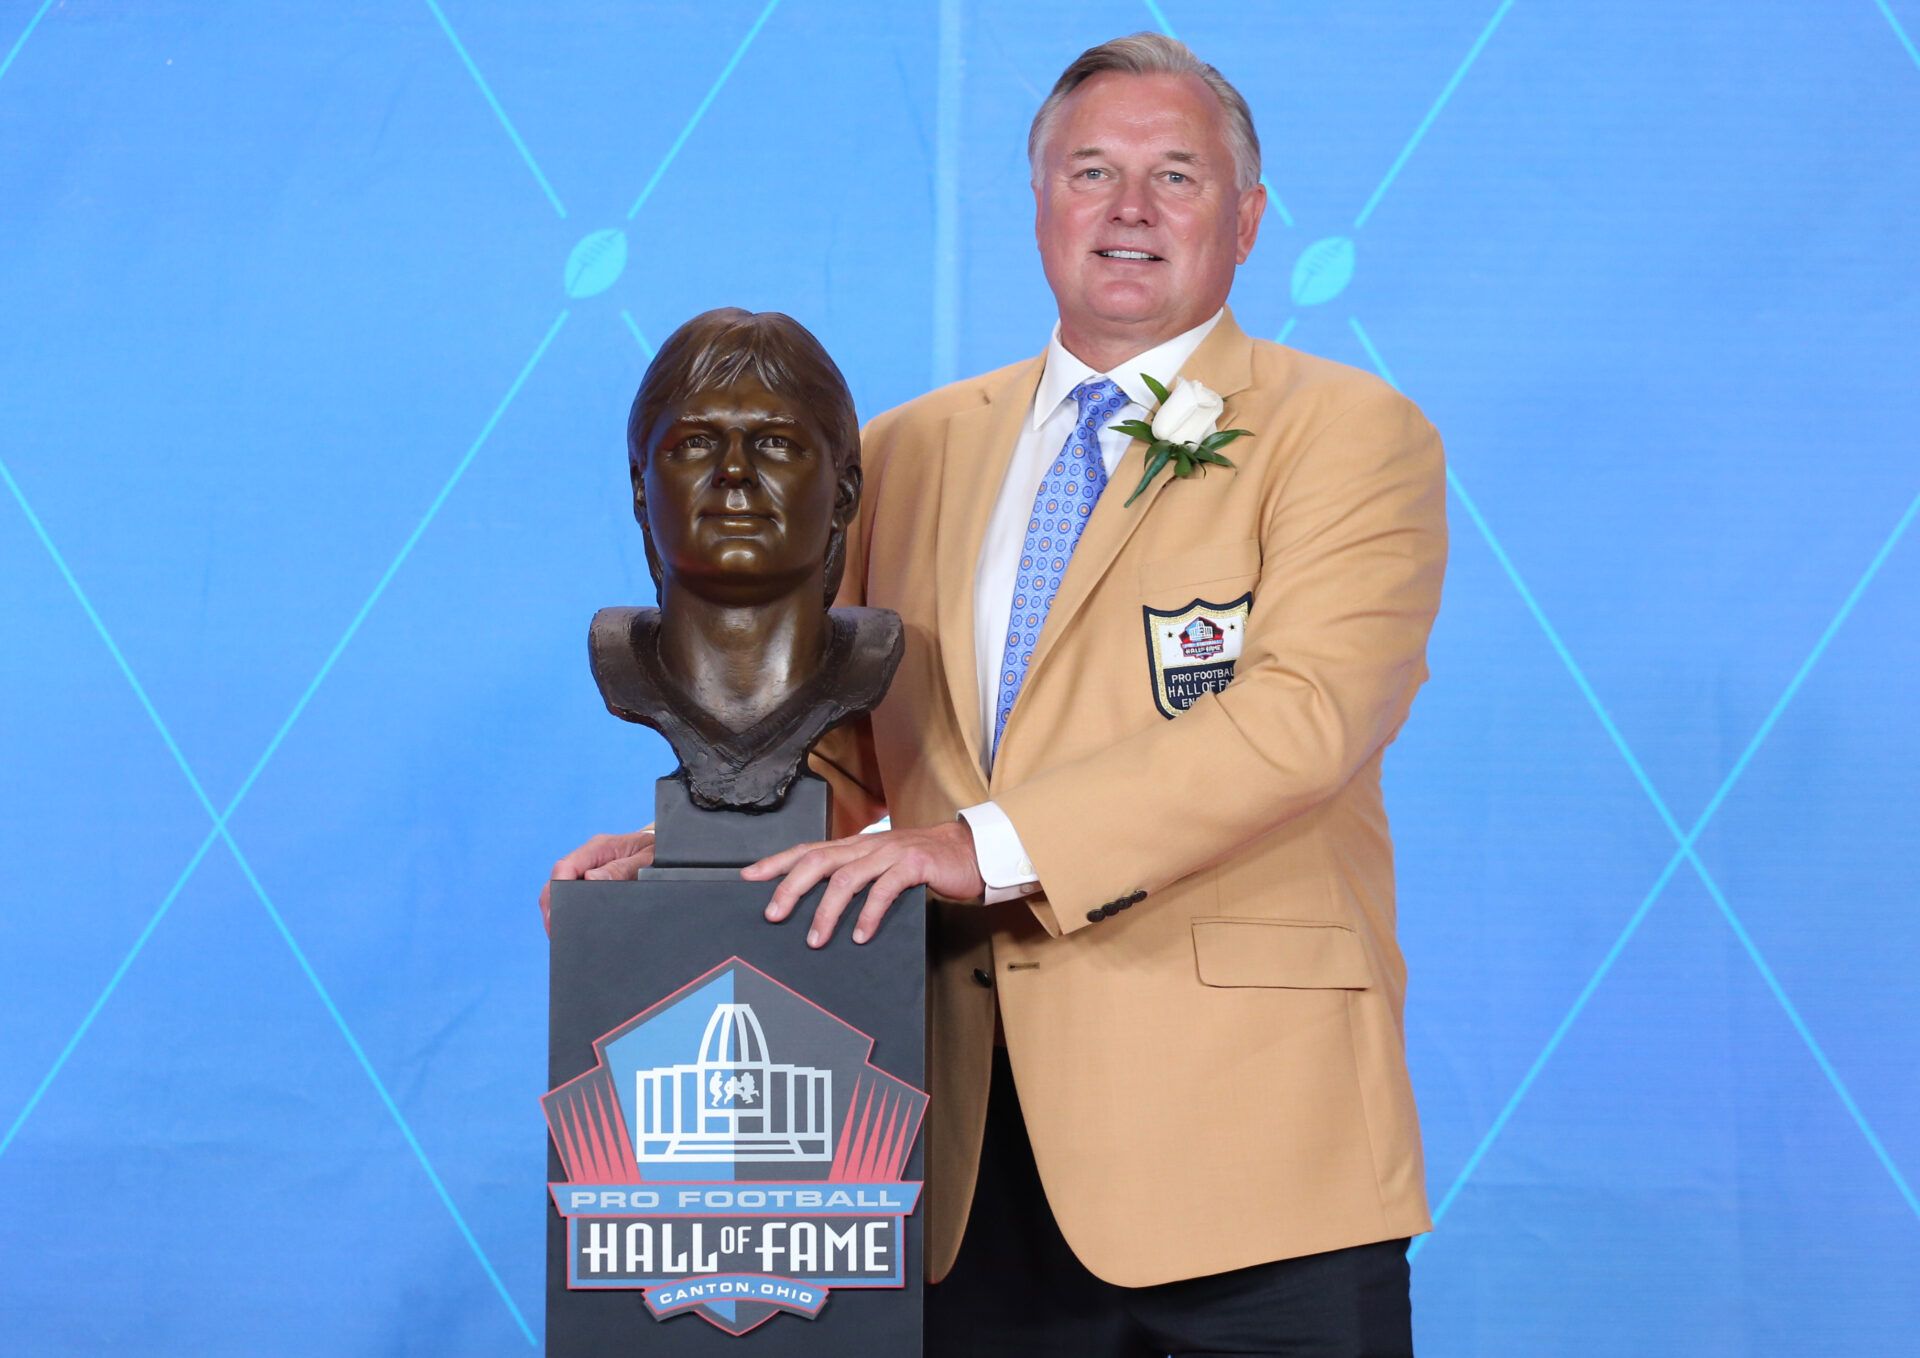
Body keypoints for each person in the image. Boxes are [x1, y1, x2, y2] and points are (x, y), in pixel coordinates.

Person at [548, 33, 1447, 1357]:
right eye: (1091, 170)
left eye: (1175, 175)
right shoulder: (902, 450)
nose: (1127, 208)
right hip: (961, 1168)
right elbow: (862, 761)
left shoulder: (1348, 435)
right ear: (1039, 205)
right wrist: (708, 863)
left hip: (1255, 1172)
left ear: (1248, 220)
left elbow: (1301, 722)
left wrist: (977, 846)